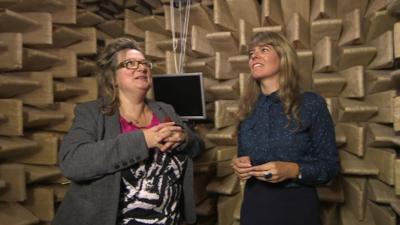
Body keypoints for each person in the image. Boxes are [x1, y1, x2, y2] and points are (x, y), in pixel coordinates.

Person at [53, 37, 204, 225]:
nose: (141, 68)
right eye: (130, 63)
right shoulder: (92, 114)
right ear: (112, 78)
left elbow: (198, 148)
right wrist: (144, 139)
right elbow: (73, 163)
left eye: (144, 63)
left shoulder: (165, 110)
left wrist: (185, 138)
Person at [231, 32, 340, 225]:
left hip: (297, 208)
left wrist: (293, 170)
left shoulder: (310, 104)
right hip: (254, 208)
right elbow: (243, 156)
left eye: (264, 50)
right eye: (251, 53)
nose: (254, 56)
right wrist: (239, 165)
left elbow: (330, 167)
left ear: (283, 58)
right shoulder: (247, 108)